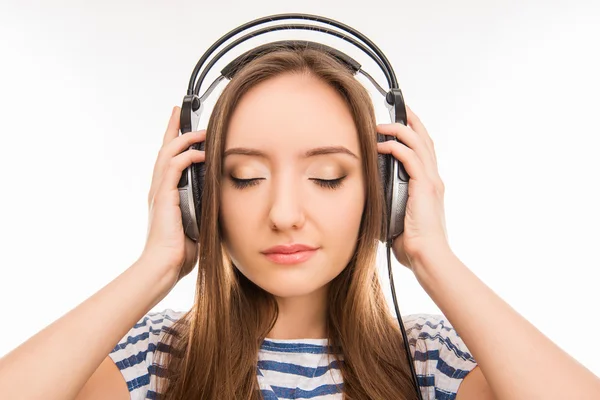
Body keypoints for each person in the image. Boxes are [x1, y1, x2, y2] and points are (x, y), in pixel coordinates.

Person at [0, 47, 598, 400]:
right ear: (198, 196)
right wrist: (156, 267)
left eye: (329, 177)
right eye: (244, 177)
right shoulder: (153, 359)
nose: (284, 214)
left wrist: (433, 256)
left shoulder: (430, 361)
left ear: (386, 193)